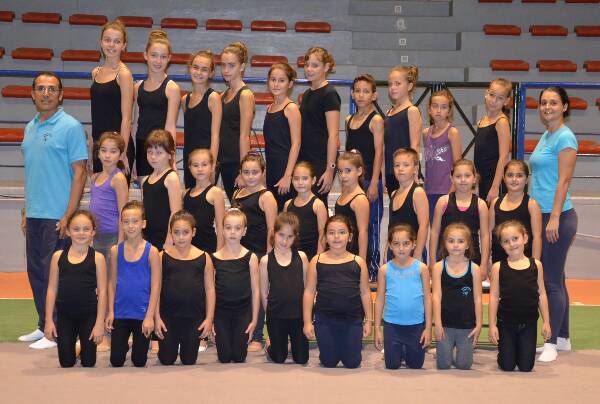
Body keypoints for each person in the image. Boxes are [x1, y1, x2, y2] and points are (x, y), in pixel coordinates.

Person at [19, 71, 88, 349]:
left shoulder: (70, 127)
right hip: (35, 214)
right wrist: (26, 209)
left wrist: (69, 214)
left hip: (57, 216)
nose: (45, 93)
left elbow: (80, 172)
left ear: (61, 95)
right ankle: (43, 324)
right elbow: (33, 172)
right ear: (32, 94)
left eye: (51, 89)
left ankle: (56, 331)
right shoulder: (29, 127)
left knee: (53, 274)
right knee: (36, 272)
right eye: (40, 88)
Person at [529, 86, 578, 362]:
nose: (547, 107)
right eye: (544, 102)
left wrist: (555, 217)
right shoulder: (547, 135)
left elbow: (564, 180)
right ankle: (563, 338)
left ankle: (550, 342)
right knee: (557, 278)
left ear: (565, 107)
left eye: (554, 103)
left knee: (549, 281)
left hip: (556, 217)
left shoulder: (565, 137)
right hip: (543, 215)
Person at [303, 215, 373, 369]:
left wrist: (369, 320)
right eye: (331, 232)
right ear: (325, 237)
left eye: (342, 232)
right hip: (325, 319)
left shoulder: (358, 262)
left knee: (352, 363)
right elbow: (309, 292)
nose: (336, 237)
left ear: (350, 237)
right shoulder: (316, 261)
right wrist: (307, 322)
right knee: (329, 362)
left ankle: (346, 348)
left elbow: (365, 292)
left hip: (352, 319)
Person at [44, 210, 107, 367]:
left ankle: (81, 346)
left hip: (89, 316)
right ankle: (76, 347)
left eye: (86, 229)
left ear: (93, 232)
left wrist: (99, 323)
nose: (81, 233)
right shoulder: (58, 257)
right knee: (66, 363)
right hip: (65, 316)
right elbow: (51, 289)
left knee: (88, 362)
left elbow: (103, 292)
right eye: (76, 229)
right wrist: (49, 321)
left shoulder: (98, 258)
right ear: (68, 231)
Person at [154, 211, 216, 365]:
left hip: (193, 318)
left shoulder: (204, 257)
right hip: (168, 317)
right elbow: (156, 288)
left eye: (185, 232)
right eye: (176, 233)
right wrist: (157, 317)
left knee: (189, 360)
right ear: (171, 233)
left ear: (193, 232)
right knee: (167, 360)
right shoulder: (162, 256)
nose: (181, 237)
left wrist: (209, 319)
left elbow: (210, 290)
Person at [489, 220, 551, 371]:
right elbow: (494, 297)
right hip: (506, 323)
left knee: (526, 366)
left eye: (515, 238)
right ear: (502, 245)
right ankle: (506, 351)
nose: (511, 244)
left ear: (525, 238)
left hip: (528, 323)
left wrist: (546, 322)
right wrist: (492, 324)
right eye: (506, 241)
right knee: (507, 366)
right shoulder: (498, 267)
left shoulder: (536, 265)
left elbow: (542, 294)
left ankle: (519, 348)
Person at [106, 201, 161, 367]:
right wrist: (110, 312)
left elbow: (156, 286)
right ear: (121, 224)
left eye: (135, 221)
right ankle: (124, 344)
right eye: (126, 221)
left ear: (143, 223)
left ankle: (136, 344)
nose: (130, 226)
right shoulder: (115, 251)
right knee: (116, 361)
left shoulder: (152, 252)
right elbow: (112, 283)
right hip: (121, 314)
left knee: (139, 361)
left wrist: (150, 317)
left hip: (142, 315)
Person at [232, 153, 278, 351]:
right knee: (242, 294)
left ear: (263, 173)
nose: (250, 176)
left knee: (258, 295)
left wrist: (268, 256)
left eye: (255, 172)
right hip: (239, 253)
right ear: (240, 173)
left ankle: (258, 336)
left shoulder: (266, 196)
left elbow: (271, 229)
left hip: (259, 254)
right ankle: (242, 332)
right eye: (246, 172)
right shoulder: (237, 194)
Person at [374, 224, 432, 369]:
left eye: (406, 243)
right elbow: (380, 299)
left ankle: (404, 349)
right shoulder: (384, 270)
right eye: (396, 244)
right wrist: (377, 329)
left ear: (413, 244)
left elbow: (427, 299)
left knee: (415, 365)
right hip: (392, 325)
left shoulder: (421, 268)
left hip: (416, 325)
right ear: (390, 245)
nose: (401, 248)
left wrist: (428, 328)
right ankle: (396, 350)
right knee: (392, 365)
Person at [346, 74, 385, 280]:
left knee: (371, 227)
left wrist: (375, 181)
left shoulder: (376, 120)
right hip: (353, 183)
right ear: (352, 94)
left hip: (370, 181)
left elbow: (379, 153)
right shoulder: (349, 120)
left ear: (374, 95)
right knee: (354, 225)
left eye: (366, 91)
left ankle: (373, 269)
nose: (361, 95)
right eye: (358, 91)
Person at [259, 212, 310, 364]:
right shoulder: (265, 261)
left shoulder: (301, 257)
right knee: (279, 358)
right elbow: (263, 292)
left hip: (298, 315)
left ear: (295, 237)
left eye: (290, 237)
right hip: (276, 316)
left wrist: (307, 317)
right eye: (281, 235)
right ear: (273, 233)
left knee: (301, 359)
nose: (284, 241)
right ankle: (271, 345)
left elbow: (307, 288)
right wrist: (270, 314)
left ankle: (291, 345)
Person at [211, 209, 260, 363]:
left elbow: (256, 291)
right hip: (221, 313)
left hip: (242, 312)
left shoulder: (250, 257)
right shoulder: (214, 258)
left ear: (244, 231)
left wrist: (254, 321)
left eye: (237, 228)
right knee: (224, 358)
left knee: (239, 357)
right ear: (222, 229)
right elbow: (210, 292)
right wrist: (211, 319)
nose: (232, 232)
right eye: (228, 227)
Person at [432, 223, 482, 370]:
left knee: (464, 365)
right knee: (443, 365)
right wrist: (438, 324)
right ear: (445, 243)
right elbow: (436, 297)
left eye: (460, 241)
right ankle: (442, 351)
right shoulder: (438, 267)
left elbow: (478, 298)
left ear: (467, 245)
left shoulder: (474, 268)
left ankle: (453, 351)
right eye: (451, 241)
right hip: (445, 324)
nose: (455, 245)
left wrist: (478, 324)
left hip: (466, 325)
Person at [133, 30, 180, 183]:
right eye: (154, 55)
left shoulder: (171, 88)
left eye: (163, 56)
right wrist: (133, 156)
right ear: (145, 55)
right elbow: (136, 124)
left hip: (161, 149)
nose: (158, 61)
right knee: (144, 192)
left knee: (161, 193)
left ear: (169, 58)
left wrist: (171, 157)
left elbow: (170, 126)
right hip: (142, 147)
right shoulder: (138, 87)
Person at [90, 19, 134, 176]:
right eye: (107, 40)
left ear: (124, 45)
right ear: (101, 42)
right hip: (100, 147)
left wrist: (122, 152)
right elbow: (96, 114)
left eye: (117, 41)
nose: (111, 45)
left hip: (116, 148)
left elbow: (127, 119)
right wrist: (92, 147)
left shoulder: (124, 74)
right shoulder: (95, 72)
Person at [430, 159, 490, 273]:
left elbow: (485, 236)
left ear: (474, 178)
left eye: (467, 176)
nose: (463, 180)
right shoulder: (443, 202)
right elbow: (434, 233)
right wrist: (432, 261)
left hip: (472, 260)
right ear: (451, 178)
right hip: (445, 259)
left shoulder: (481, 205)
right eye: (458, 176)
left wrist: (483, 265)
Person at [298, 47, 341, 206]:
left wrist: (330, 169)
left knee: (317, 205)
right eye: (307, 65)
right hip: (306, 157)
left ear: (326, 67)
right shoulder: (307, 94)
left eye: (315, 65)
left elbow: (333, 135)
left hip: (321, 160)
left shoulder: (329, 94)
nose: (309, 69)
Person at [217, 42, 255, 202]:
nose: (226, 70)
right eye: (223, 65)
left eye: (231, 65)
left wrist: (243, 171)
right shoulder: (224, 95)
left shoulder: (245, 95)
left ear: (242, 67)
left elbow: (245, 136)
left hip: (235, 161)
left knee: (241, 208)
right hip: (223, 160)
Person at [182, 50, 222, 189]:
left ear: (211, 73)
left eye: (204, 69)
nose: (199, 72)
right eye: (195, 67)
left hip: (205, 162)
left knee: (205, 198)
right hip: (190, 160)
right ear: (190, 68)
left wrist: (212, 165)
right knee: (190, 197)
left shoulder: (213, 98)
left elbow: (215, 135)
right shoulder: (185, 100)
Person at [264, 62, 301, 210]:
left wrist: (288, 175)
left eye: (281, 80)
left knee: (286, 215)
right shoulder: (269, 108)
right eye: (273, 79)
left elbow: (296, 143)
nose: (276, 84)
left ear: (290, 84)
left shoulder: (291, 108)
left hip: (285, 168)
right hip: (272, 168)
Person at [489, 160, 542, 264]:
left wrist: (535, 265)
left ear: (527, 180)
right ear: (504, 178)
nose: (514, 179)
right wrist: (486, 260)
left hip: (524, 264)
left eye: (519, 175)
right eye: (510, 175)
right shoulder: (495, 203)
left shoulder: (532, 205)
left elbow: (537, 238)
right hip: (499, 261)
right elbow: (488, 235)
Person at [423, 89, 462, 220]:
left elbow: (458, 166)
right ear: (429, 109)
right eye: (435, 106)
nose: (439, 110)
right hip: (429, 190)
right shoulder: (426, 133)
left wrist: (452, 191)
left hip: (446, 190)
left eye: (443, 107)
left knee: (447, 228)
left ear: (449, 111)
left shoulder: (452, 132)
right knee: (433, 227)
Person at [90, 132, 129, 261]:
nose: (107, 155)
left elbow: (123, 212)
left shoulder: (118, 178)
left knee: (110, 271)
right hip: (96, 234)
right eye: (104, 150)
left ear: (120, 155)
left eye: (113, 151)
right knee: (98, 270)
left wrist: (121, 240)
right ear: (98, 153)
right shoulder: (95, 177)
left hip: (112, 235)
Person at [384, 65, 421, 195]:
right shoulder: (388, 113)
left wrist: (415, 171)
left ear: (409, 86)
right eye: (390, 84)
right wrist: (383, 173)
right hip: (391, 170)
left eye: (398, 84)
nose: (393, 87)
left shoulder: (412, 110)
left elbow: (415, 144)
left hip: (406, 171)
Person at [142, 129, 182, 250]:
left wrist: (169, 240)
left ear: (170, 154)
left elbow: (176, 212)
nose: (153, 157)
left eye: (159, 153)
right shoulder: (145, 180)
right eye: (150, 152)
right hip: (148, 236)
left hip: (164, 238)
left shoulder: (171, 177)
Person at [387, 148, 429, 263]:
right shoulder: (394, 194)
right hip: (394, 252)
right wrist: (387, 250)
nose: (400, 169)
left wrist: (417, 254)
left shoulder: (418, 193)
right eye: (397, 165)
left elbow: (424, 226)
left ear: (415, 169)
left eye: (406, 165)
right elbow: (391, 227)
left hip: (412, 252)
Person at [474, 78, 511, 204]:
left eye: (500, 98)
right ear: (486, 94)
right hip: (482, 180)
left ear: (506, 101)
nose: (494, 101)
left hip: (494, 181)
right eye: (492, 95)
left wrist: (495, 187)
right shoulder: (482, 121)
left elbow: (504, 156)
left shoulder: (501, 122)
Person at [284, 161, 329, 260]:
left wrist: (318, 258)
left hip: (312, 256)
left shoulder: (318, 205)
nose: (300, 182)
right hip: (292, 256)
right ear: (291, 180)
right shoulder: (287, 205)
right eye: (296, 178)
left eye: (304, 178)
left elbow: (322, 234)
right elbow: (284, 233)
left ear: (313, 180)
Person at [184, 149, 225, 253]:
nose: (200, 169)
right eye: (195, 165)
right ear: (190, 168)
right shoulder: (185, 193)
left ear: (212, 167)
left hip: (208, 247)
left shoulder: (215, 192)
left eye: (204, 165)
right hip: (188, 248)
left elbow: (220, 225)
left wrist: (219, 252)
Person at [334, 151, 370, 263]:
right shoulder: (344, 193)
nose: (343, 175)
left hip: (355, 253)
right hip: (342, 250)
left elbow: (363, 232)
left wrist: (362, 261)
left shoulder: (360, 199)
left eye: (348, 171)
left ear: (359, 171)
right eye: (340, 171)